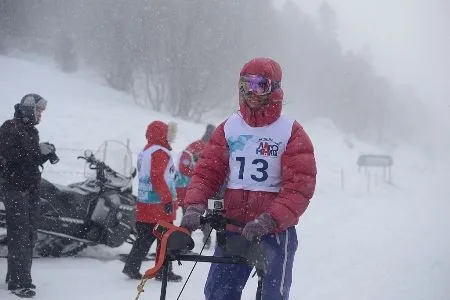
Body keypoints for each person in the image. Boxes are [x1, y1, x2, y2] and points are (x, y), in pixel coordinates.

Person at [180, 57, 317, 300]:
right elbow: (207, 173)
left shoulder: (291, 133)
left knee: (272, 296)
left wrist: (269, 220)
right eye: (246, 85)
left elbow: (299, 188)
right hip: (232, 228)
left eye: (260, 85)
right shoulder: (229, 128)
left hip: (274, 233)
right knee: (218, 294)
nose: (252, 92)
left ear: (273, 88)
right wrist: (194, 207)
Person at [0, 93, 57, 298]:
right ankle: (18, 283)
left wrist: (44, 154)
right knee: (20, 236)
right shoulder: (9, 127)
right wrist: (35, 152)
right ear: (28, 109)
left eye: (42, 111)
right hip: (14, 189)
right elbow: (8, 157)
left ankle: (19, 276)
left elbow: (29, 160)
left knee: (30, 236)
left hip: (31, 190)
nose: (40, 114)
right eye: (38, 110)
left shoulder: (31, 131)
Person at [122, 120, 182, 282]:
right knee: (165, 238)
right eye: (167, 132)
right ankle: (163, 271)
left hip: (145, 202)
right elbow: (158, 177)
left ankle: (131, 266)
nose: (170, 136)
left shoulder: (146, 151)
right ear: (162, 134)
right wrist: (168, 199)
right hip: (159, 206)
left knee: (145, 237)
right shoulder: (160, 153)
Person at [176, 124, 216, 248]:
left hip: (197, 189)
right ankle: (186, 241)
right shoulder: (204, 148)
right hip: (193, 189)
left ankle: (191, 240)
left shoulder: (197, 146)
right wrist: (198, 174)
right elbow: (183, 166)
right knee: (202, 215)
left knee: (200, 215)